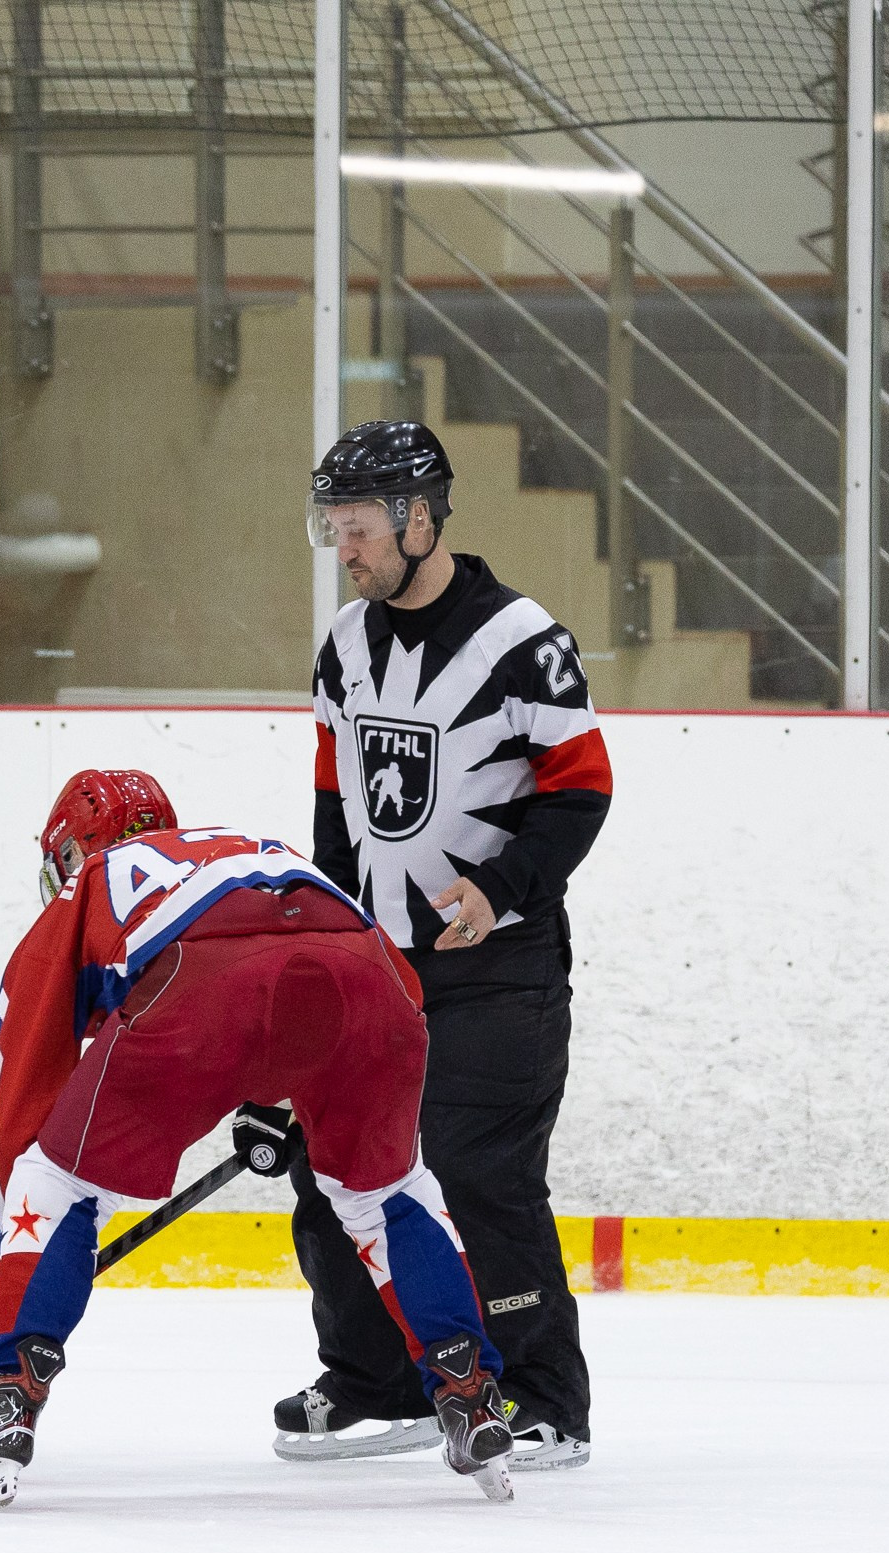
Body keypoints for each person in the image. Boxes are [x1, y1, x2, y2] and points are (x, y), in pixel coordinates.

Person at [0, 768, 515, 1508]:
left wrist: (1, 1256)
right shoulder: (243, 848)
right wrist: (281, 1081)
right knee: (388, 1195)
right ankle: (472, 1395)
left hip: (198, 981)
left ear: (71, 852)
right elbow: (316, 972)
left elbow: (14, 1099)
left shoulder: (91, 884)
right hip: (371, 978)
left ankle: (4, 1402)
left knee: (57, 1182)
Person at [279, 420, 613, 1470]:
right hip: (377, 965)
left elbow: (581, 791)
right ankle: (377, 1382)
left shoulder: (523, 639)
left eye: (361, 527)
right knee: (332, 1164)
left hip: (499, 969)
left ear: (420, 519)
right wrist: (327, 927)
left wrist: (500, 887)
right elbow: (336, 800)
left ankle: (542, 1395)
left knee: (478, 1172)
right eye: (333, 527)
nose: (345, 548)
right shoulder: (345, 644)